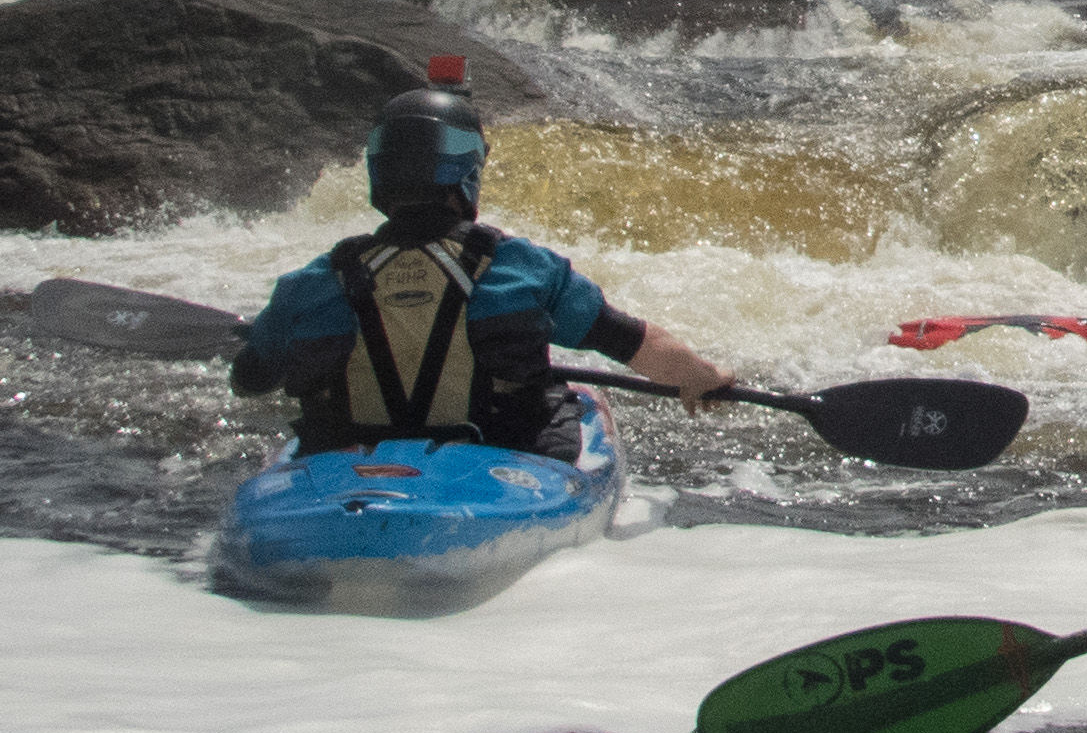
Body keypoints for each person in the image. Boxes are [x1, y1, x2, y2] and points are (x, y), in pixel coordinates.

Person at [228, 55, 734, 453]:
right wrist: (700, 376)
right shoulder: (522, 269)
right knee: (563, 402)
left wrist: (277, 344)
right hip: (495, 464)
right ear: (467, 171)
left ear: (378, 173)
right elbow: (634, 343)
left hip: (348, 468)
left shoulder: (311, 284)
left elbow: (249, 380)